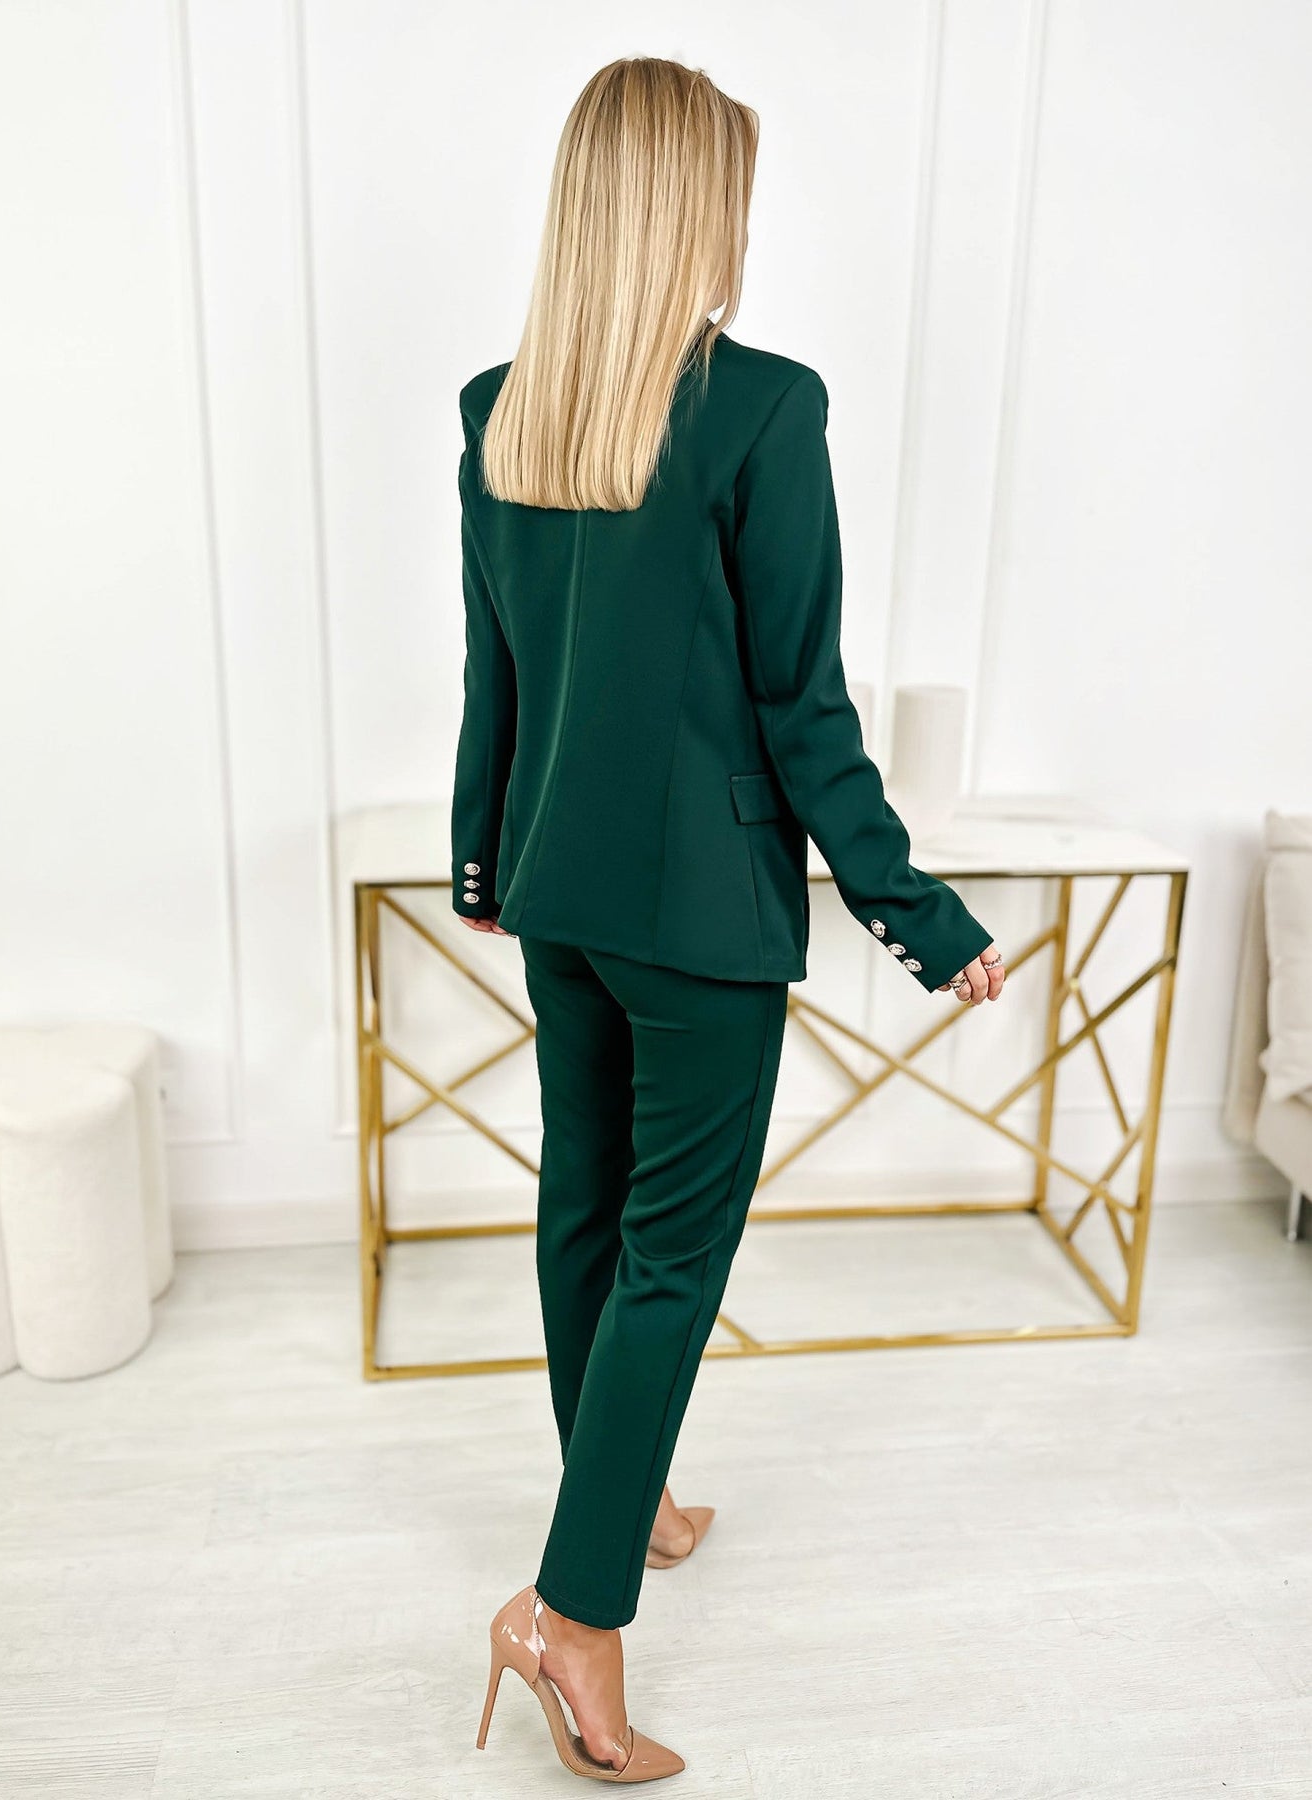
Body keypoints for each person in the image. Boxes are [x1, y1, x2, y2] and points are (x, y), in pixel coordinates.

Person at [451, 54, 1007, 1784]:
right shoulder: (764, 408)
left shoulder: (501, 407)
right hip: (695, 918)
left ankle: (620, 1499)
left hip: (555, 892)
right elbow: (800, 703)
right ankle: (571, 1614)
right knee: (669, 1255)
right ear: (699, 208)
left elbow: (495, 679)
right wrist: (919, 915)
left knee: (585, 1214)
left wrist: (481, 864)